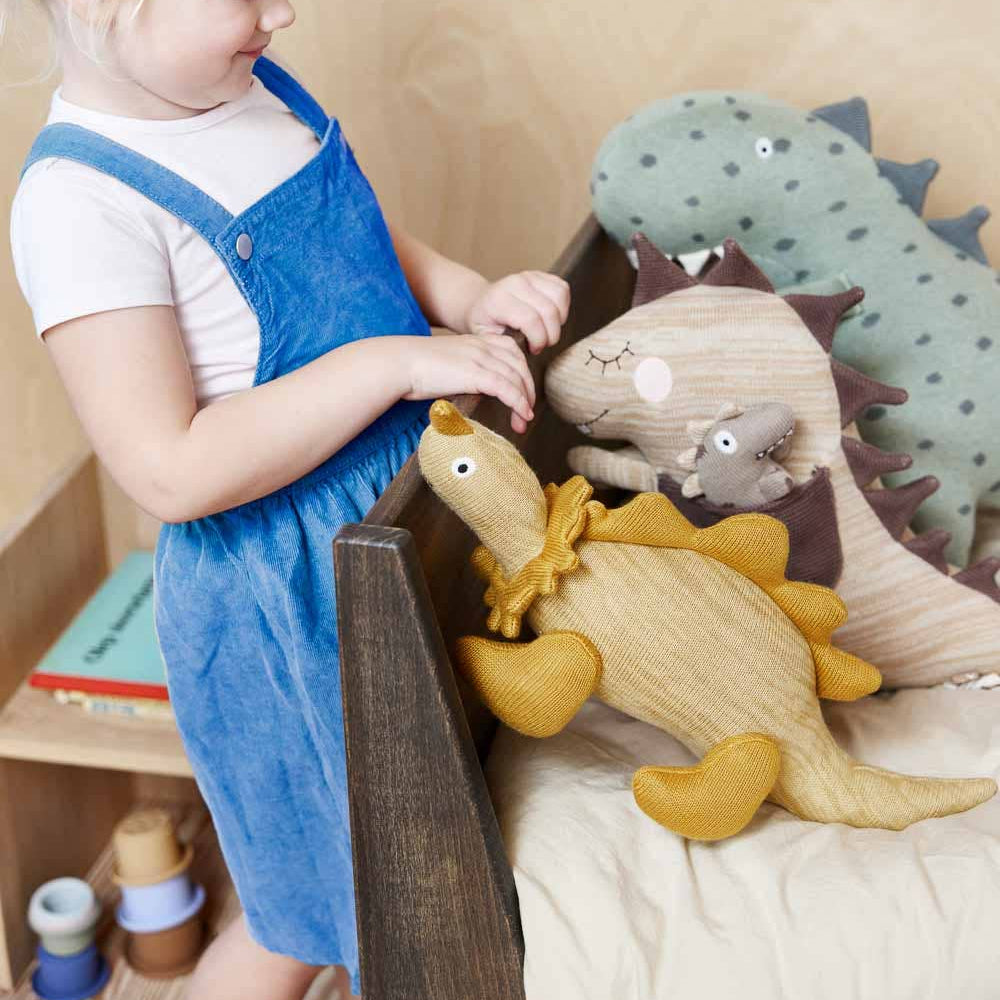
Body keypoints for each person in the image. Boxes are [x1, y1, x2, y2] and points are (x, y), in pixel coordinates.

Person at [6, 2, 570, 997]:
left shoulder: (242, 87)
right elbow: (168, 468)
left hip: (404, 510)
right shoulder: (78, 205)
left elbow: (358, 234)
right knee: (332, 899)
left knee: (436, 856)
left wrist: (463, 299)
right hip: (290, 591)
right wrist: (392, 360)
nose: (283, 12)